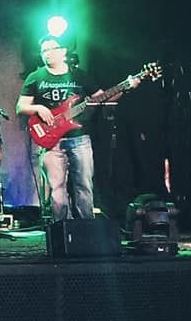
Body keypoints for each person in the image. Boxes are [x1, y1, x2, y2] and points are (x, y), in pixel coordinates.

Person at [15, 35, 137, 221]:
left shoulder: (79, 75)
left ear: (63, 51)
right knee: (56, 190)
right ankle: (61, 229)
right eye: (43, 51)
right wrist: (38, 108)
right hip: (51, 142)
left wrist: (126, 87)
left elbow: (103, 97)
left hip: (79, 138)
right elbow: (20, 107)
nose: (47, 54)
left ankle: (86, 228)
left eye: (51, 49)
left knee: (84, 187)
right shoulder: (35, 77)